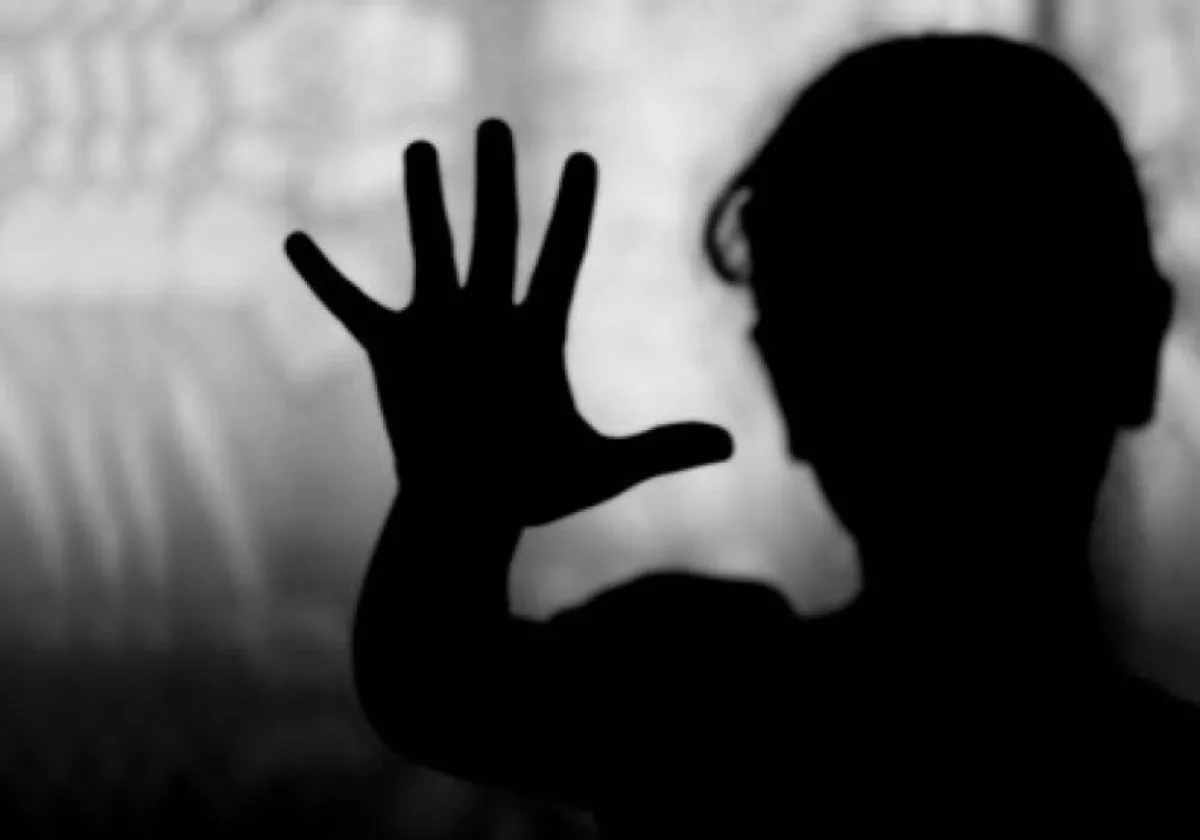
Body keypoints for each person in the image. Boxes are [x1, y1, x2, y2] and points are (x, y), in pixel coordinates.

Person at [283, 32, 1193, 836]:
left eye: (1000, 311)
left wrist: (459, 499)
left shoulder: (705, 694)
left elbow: (432, 686)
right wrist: (459, 495)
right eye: (871, 330)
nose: (939, 378)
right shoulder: (701, 680)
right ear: (1139, 348)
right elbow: (436, 686)